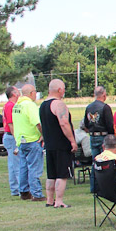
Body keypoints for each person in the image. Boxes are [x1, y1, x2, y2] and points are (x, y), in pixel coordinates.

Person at [39, 78, 78, 208]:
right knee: (62, 174)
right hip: (61, 145)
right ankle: (59, 200)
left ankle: (50, 200)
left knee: (51, 174)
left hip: (49, 144)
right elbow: (64, 123)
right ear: (60, 90)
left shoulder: (43, 105)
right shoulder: (58, 104)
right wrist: (72, 141)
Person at [12, 84, 44, 202]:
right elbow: (37, 122)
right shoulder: (30, 105)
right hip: (32, 139)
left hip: (21, 140)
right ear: (31, 93)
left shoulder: (17, 105)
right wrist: (43, 135)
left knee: (23, 167)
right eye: (35, 92)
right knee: (34, 168)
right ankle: (37, 193)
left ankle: (24, 192)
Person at [82, 85, 115, 192]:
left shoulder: (89, 107)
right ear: (104, 95)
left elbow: (86, 123)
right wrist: (112, 137)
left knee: (95, 162)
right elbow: (110, 124)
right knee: (106, 162)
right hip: (104, 137)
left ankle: (94, 187)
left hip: (93, 136)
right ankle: (106, 187)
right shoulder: (105, 107)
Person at [2, 86, 22, 198]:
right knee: (17, 164)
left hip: (9, 137)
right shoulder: (10, 106)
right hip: (12, 137)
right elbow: (11, 124)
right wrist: (17, 139)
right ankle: (21, 189)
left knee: (12, 164)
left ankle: (15, 189)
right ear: (14, 93)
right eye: (17, 91)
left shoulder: (9, 105)